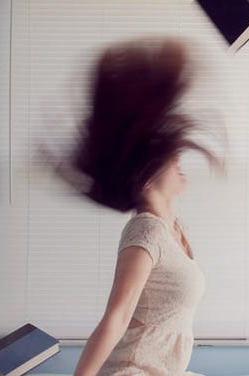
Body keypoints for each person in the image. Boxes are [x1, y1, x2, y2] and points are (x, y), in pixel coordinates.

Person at [69, 38, 218, 376]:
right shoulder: (146, 230)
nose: (179, 160)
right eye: (169, 158)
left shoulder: (175, 229)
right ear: (146, 175)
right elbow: (117, 315)